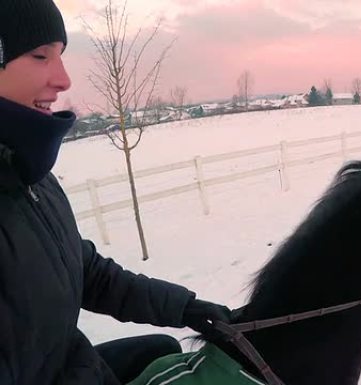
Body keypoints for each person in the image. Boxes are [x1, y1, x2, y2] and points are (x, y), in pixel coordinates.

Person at [0, 1, 232, 384]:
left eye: (61, 56)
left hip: (77, 363)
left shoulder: (30, 179)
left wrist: (183, 308)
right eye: (40, 56)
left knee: (162, 350)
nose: (63, 80)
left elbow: (85, 271)